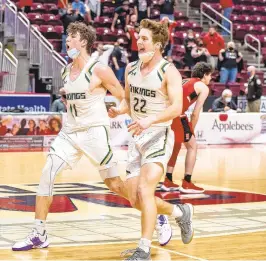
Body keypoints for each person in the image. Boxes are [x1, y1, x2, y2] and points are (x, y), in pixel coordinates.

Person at [11, 22, 127, 251]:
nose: (67, 40)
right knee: (47, 173)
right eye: (67, 36)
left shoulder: (99, 69)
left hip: (94, 131)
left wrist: (119, 110)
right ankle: (39, 232)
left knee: (115, 184)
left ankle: (156, 213)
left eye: (72, 37)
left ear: (83, 41)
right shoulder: (66, 70)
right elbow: (74, 97)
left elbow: (123, 95)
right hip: (70, 132)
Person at [108, 19, 194, 260]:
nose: (139, 41)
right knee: (134, 197)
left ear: (157, 44)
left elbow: (177, 107)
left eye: (145, 38)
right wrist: (119, 109)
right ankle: (179, 212)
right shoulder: (131, 68)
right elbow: (128, 101)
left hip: (159, 135)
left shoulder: (169, 71)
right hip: (137, 137)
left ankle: (143, 249)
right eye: (139, 37)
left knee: (146, 190)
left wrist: (150, 120)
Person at [161, 62, 211, 193]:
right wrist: (191, 131)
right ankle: (187, 182)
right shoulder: (203, 87)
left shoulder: (185, 80)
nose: (210, 79)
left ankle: (168, 180)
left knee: (176, 145)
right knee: (192, 146)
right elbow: (195, 112)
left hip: (166, 113)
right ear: (204, 75)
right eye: (210, 75)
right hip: (177, 115)